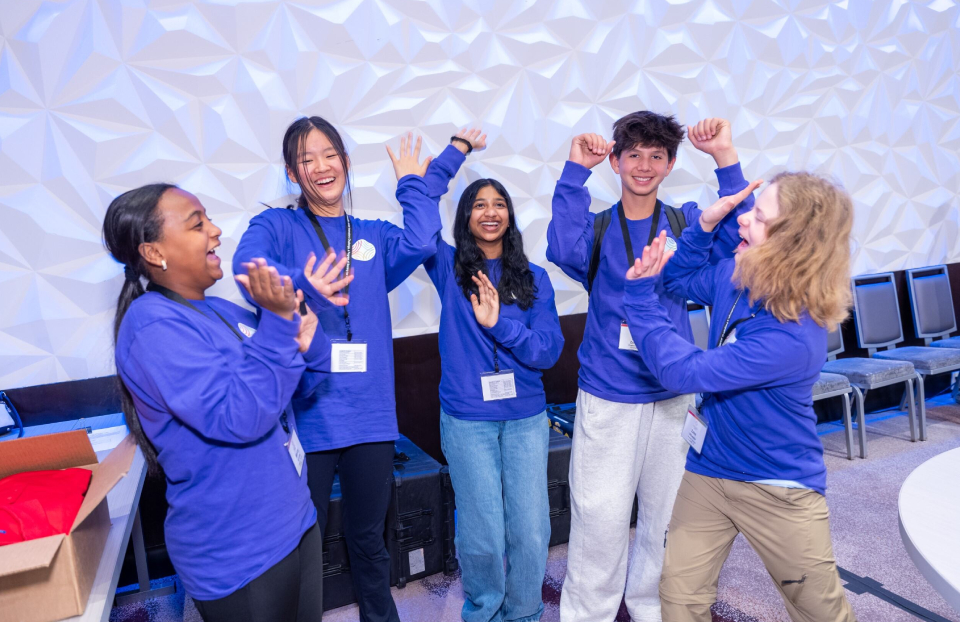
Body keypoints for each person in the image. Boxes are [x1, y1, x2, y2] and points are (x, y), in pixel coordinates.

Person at [105, 183, 351, 622]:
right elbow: (241, 416)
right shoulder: (151, 326)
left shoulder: (226, 312)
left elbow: (297, 390)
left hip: (295, 523)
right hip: (239, 552)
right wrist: (277, 323)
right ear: (154, 252)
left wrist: (305, 334)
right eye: (197, 224)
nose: (216, 231)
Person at [545, 115, 755, 621]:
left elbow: (744, 234)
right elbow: (561, 246)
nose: (644, 165)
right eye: (634, 154)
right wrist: (575, 170)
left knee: (666, 520)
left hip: (672, 394)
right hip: (608, 395)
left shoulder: (686, 224)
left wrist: (725, 156)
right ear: (615, 162)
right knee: (599, 520)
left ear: (671, 163)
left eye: (656, 156)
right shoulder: (598, 228)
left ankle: (652, 610)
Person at [623, 173, 857, 622]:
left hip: (778, 487)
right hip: (708, 470)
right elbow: (679, 279)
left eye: (758, 217)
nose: (744, 221)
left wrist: (638, 298)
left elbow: (683, 371)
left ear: (792, 241)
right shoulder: (738, 276)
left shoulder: (793, 336)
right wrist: (703, 226)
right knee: (679, 598)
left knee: (819, 613)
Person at [233, 117, 438, 622]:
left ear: (345, 162)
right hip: (308, 416)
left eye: (330, 155)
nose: (322, 167)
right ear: (291, 172)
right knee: (302, 544)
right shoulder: (276, 226)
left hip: (370, 414)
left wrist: (412, 184)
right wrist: (303, 285)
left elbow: (422, 240)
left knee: (370, 539)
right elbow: (247, 270)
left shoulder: (371, 235)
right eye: (307, 159)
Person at [422, 130, 564, 622]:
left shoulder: (534, 277)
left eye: (499, 204)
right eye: (479, 204)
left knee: (530, 529)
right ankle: (483, 610)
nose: (490, 212)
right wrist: (455, 151)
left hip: (525, 418)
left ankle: (524, 612)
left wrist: (499, 324)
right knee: (482, 532)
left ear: (510, 215)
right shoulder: (447, 267)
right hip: (467, 420)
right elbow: (420, 209)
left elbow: (548, 351)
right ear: (465, 216)